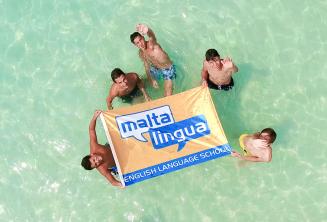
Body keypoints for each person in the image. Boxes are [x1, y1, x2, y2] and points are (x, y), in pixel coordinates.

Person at [130, 23, 176, 97]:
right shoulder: (141, 53)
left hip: (167, 69)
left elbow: (152, 36)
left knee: (167, 96)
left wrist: (147, 30)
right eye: (137, 43)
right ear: (135, 45)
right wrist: (151, 80)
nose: (140, 44)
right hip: (156, 69)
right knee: (144, 82)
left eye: (140, 40)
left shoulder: (151, 44)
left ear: (143, 37)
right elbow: (146, 66)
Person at [81, 110, 122, 187]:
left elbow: (91, 130)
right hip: (118, 162)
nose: (97, 161)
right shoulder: (102, 168)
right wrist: (120, 184)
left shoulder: (94, 147)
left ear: (91, 154)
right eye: (96, 164)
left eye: (94, 160)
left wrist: (94, 117)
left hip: (112, 147)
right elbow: (113, 182)